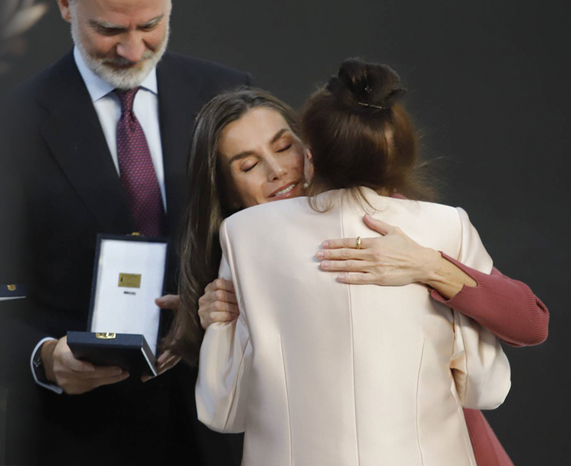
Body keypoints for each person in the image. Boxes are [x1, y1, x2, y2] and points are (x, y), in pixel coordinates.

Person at [175, 86, 548, 466]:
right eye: (249, 166)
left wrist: (430, 265)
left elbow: (530, 322)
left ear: (310, 149)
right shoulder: (241, 250)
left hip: (442, 440)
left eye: (284, 147)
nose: (277, 170)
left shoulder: (404, 224)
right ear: (226, 190)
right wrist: (215, 321)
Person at [3, 0, 250, 465]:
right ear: (65, 3)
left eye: (150, 24)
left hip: (215, 421)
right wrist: (43, 358)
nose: (133, 50)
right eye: (109, 29)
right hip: (76, 434)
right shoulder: (10, 123)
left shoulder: (229, 96)